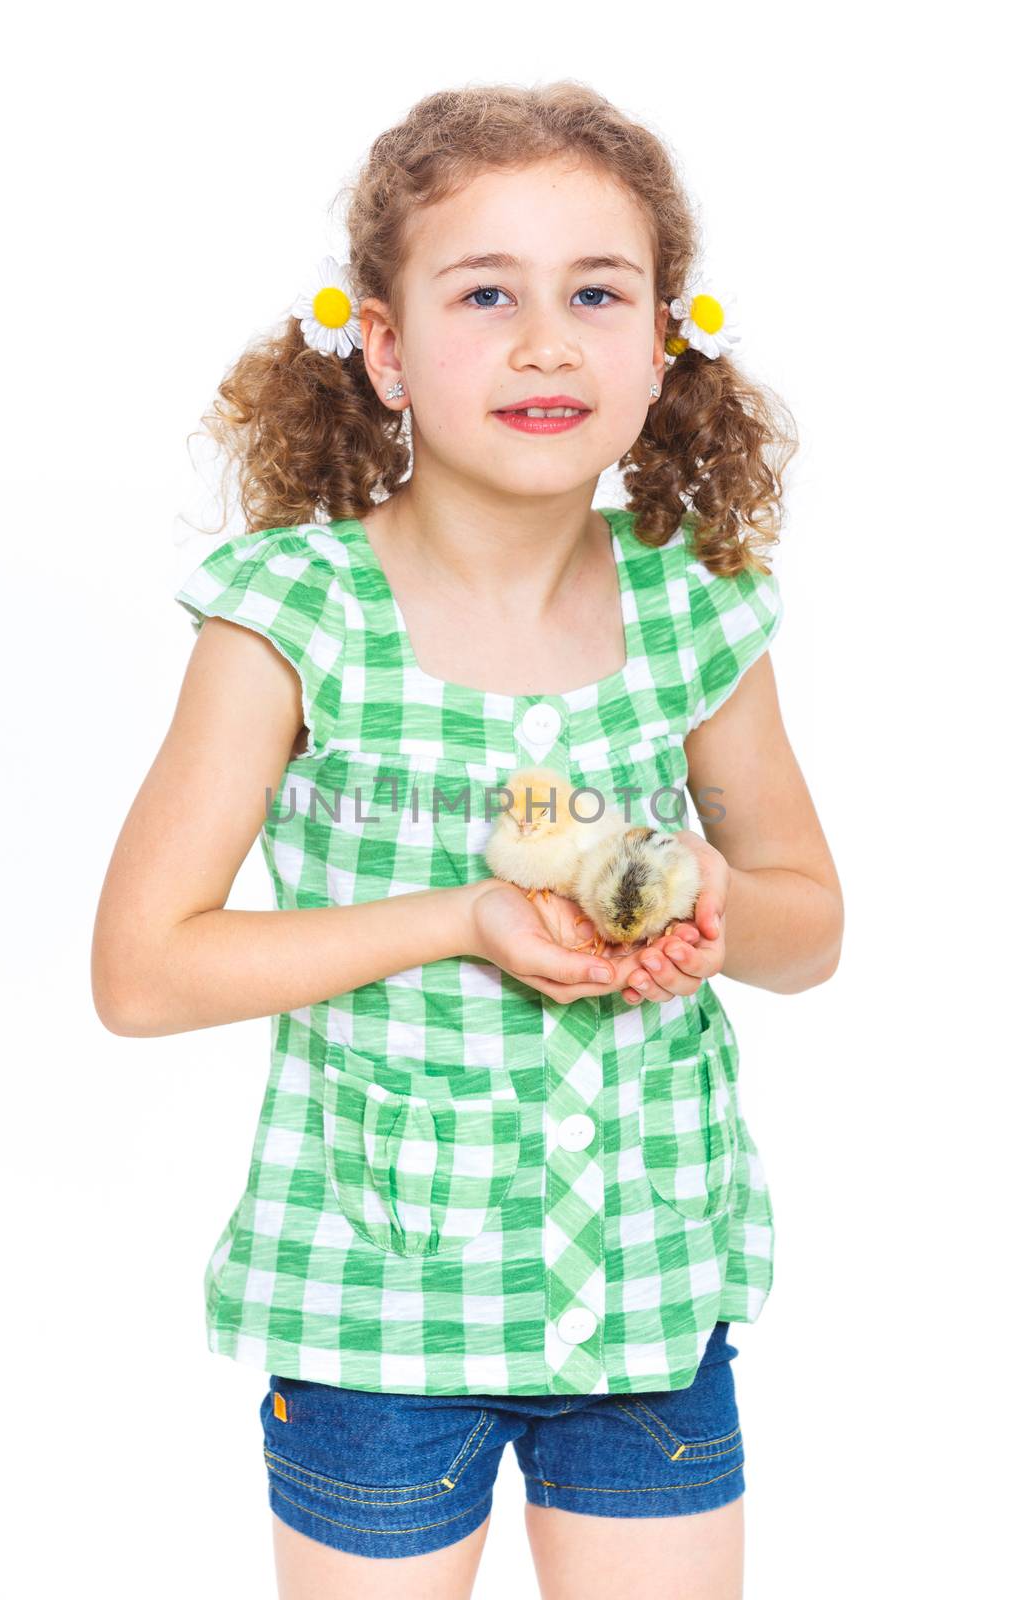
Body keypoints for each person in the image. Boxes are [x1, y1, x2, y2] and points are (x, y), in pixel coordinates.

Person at [92, 80, 843, 1600]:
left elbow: (810, 926)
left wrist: (706, 891)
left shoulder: (695, 608)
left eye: (596, 293)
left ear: (660, 341)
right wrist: (460, 919)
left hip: (647, 1292)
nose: (546, 339)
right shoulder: (290, 618)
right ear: (381, 344)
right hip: (376, 1307)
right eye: (485, 292)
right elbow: (143, 971)